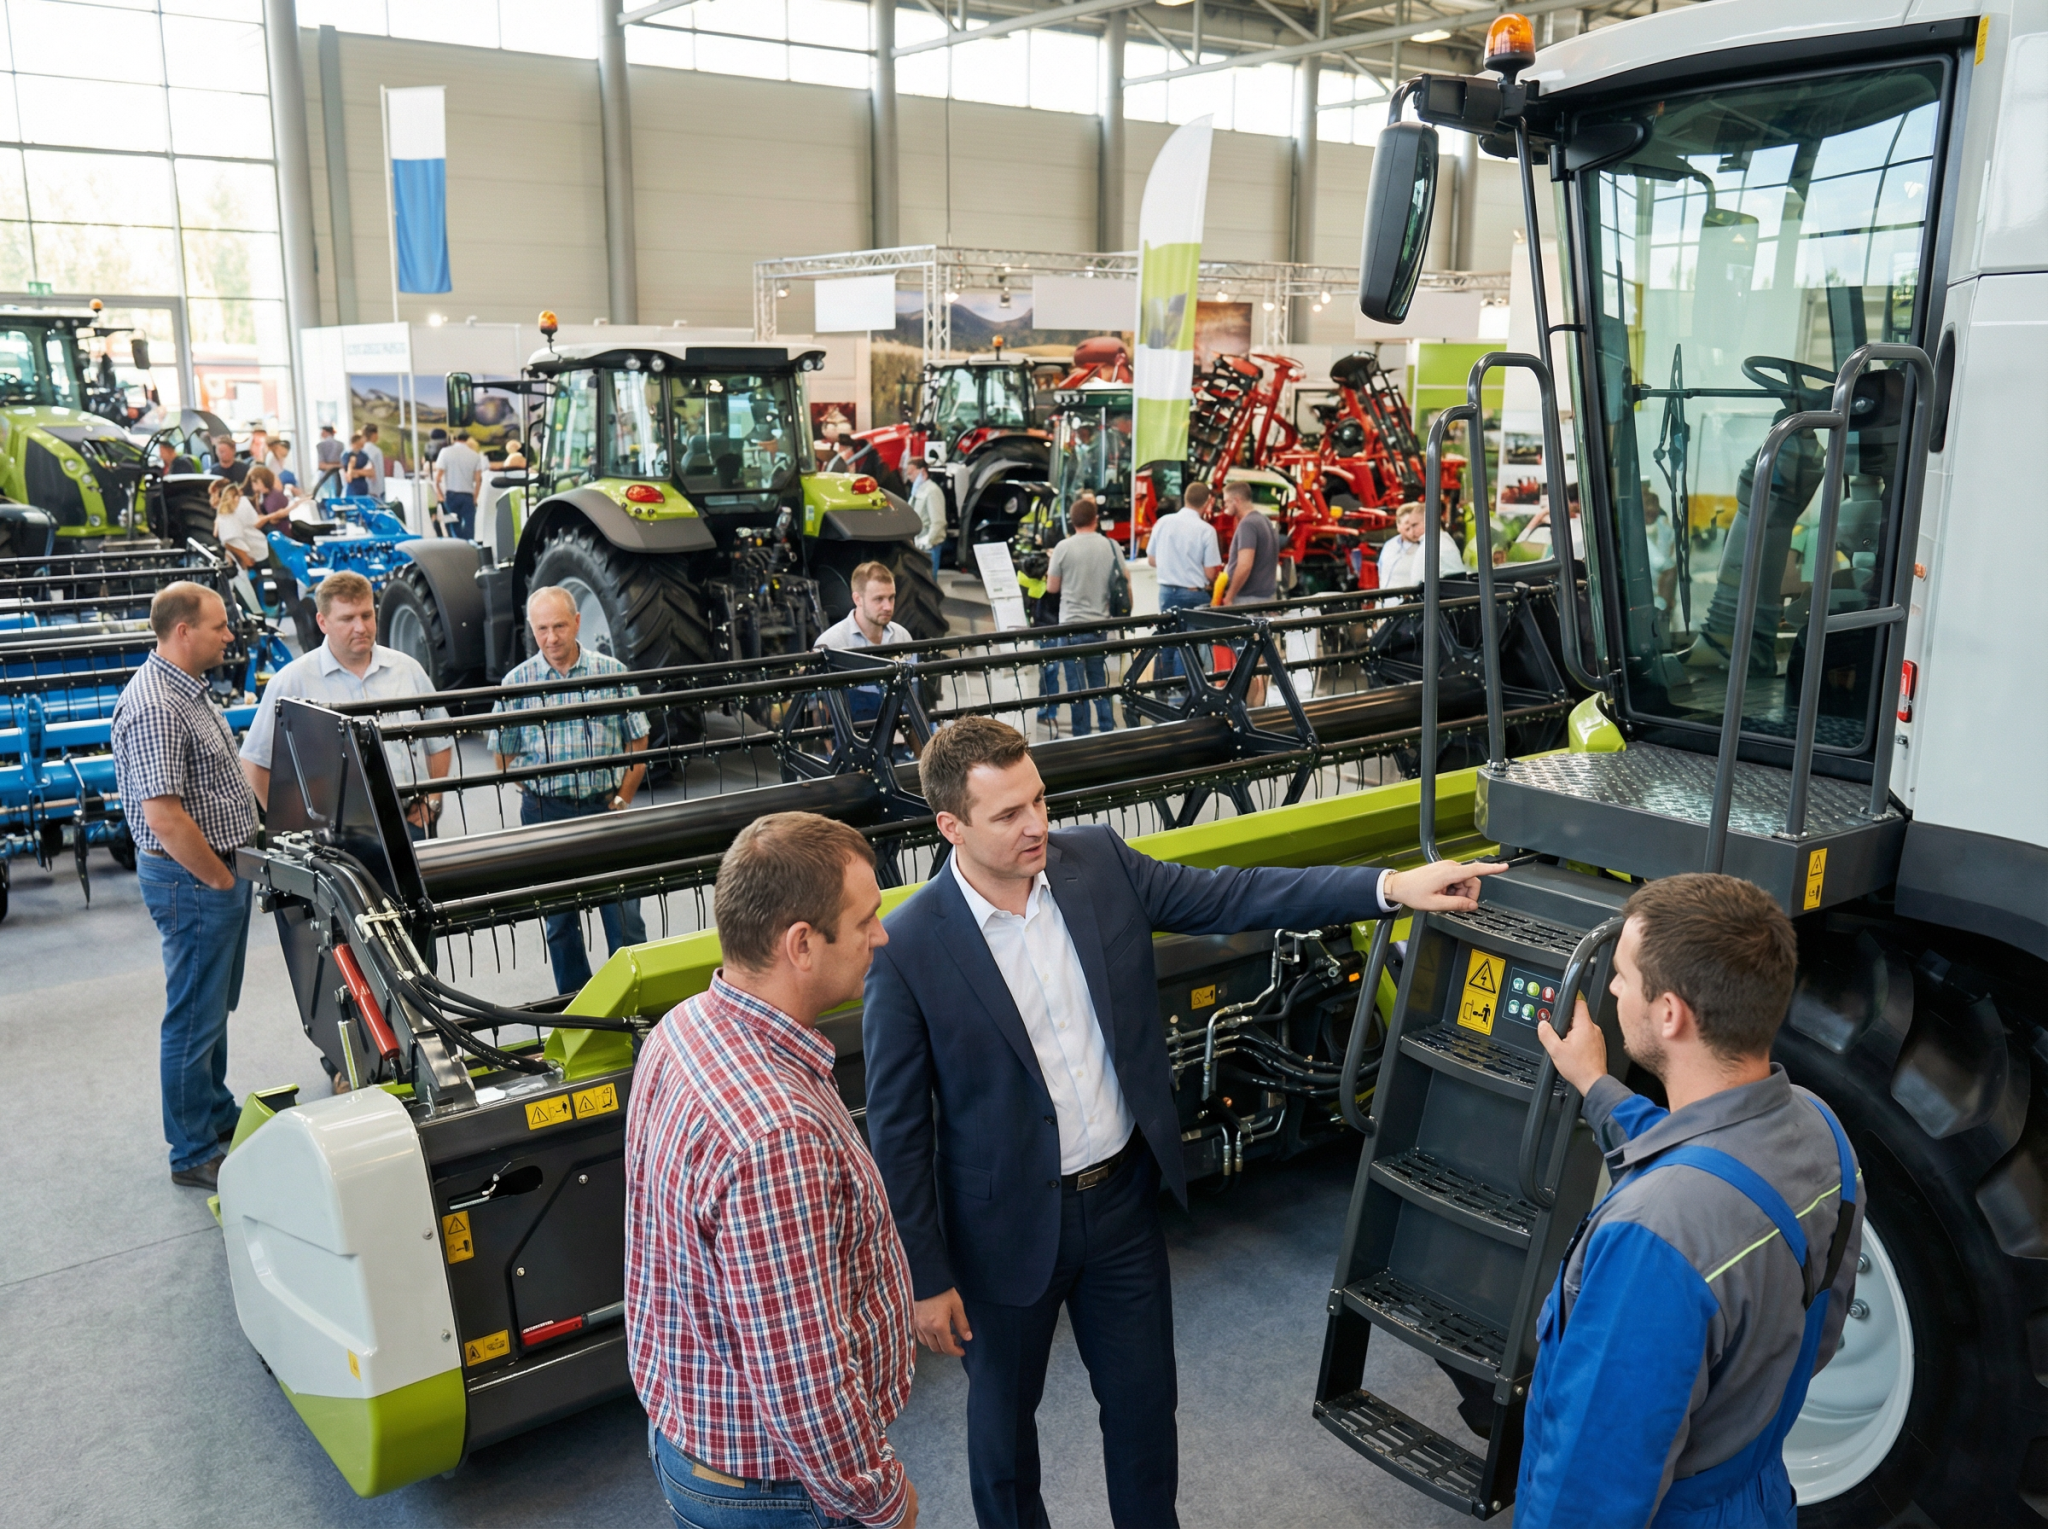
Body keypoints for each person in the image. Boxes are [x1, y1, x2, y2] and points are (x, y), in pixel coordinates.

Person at [861, 717, 1506, 1529]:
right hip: (1001, 1232)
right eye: (1008, 814)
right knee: (1002, 1441)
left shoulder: (1097, 862)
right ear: (950, 825)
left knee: (1143, 1417)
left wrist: (1387, 889)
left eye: (1039, 799)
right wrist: (925, 1274)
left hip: (1122, 1203)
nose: (1036, 825)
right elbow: (898, 1130)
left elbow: (1236, 893)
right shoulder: (909, 946)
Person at [1520, 873, 1862, 1528]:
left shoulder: (1652, 1239)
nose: (1613, 988)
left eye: (1621, 974)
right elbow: (1707, 1160)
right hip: (1756, 1494)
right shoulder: (1821, 1133)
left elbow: (1590, 1495)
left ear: (1670, 1012)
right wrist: (1595, 1084)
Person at [626, 813, 920, 1529]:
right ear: (801, 944)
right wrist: (882, 1500)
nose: (882, 934)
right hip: (777, 1490)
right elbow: (806, 1382)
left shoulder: (684, 1026)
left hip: (692, 1431)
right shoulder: (774, 1136)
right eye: (866, 920)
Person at [110, 582, 262, 1191]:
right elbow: (164, 818)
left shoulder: (187, 691)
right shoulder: (155, 705)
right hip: (195, 880)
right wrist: (221, 878)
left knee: (211, 1007)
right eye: (220, 626)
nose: (229, 635)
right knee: (192, 1017)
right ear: (183, 632)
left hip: (217, 872)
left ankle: (214, 1110)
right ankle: (191, 1150)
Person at [486, 586, 649, 994]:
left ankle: (635, 1006)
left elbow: (638, 741)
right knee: (559, 921)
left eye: (560, 626)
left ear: (577, 622)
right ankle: (577, 1012)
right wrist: (537, 790)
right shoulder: (516, 682)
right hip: (545, 813)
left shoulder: (611, 673)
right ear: (532, 629)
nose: (552, 637)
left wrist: (621, 798)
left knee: (625, 916)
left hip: (604, 810)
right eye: (542, 628)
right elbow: (502, 757)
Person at [240, 570, 453, 848]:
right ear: (322, 621)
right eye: (347, 619)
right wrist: (293, 826)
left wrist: (432, 801)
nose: (361, 627)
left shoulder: (407, 670)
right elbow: (255, 761)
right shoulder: (293, 681)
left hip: (407, 823)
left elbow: (439, 740)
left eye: (366, 615)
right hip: (330, 837)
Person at [1043, 497, 1123, 736]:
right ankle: (1108, 730)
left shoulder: (1063, 548)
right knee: (1099, 682)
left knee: (1076, 689)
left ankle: (1081, 735)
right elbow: (1123, 582)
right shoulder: (1111, 546)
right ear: (1096, 519)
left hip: (1070, 628)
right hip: (1099, 625)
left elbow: (1052, 588)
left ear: (1072, 521)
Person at [815, 561, 913, 730]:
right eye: (879, 599)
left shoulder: (902, 636)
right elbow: (821, 713)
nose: (888, 606)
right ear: (857, 599)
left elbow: (913, 698)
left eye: (891, 597)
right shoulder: (831, 644)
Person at [1146, 482, 1223, 680]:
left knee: (1167, 639)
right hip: (1192, 594)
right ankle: (1183, 693)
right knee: (1188, 642)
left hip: (1165, 591)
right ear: (1207, 503)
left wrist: (1172, 566)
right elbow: (1209, 573)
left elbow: (1152, 559)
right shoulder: (1206, 530)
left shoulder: (1163, 522)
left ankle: (1161, 688)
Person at [1376, 501, 1464, 591]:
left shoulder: (1436, 545)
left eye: (1414, 525)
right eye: (1408, 527)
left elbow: (1452, 582)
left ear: (1427, 521)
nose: (1412, 531)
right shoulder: (1390, 545)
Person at [435, 430, 485, 540]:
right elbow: (478, 481)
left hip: (451, 495)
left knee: (451, 524)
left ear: (454, 438)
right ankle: (469, 548)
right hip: (468, 495)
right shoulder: (475, 455)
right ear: (468, 439)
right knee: (469, 525)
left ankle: (456, 547)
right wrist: (475, 498)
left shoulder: (445, 452)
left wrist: (440, 495)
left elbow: (437, 478)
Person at [907, 457, 947, 576]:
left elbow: (938, 521)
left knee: (929, 581)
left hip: (930, 547)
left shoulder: (932, 491)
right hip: (919, 544)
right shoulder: (917, 491)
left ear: (923, 471)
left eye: (911, 473)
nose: (909, 477)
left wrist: (928, 541)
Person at [361, 423, 388, 499]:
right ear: (374, 434)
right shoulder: (375, 450)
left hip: (368, 488)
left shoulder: (363, 449)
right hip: (375, 489)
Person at [343, 432, 372, 496]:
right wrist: (359, 472)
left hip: (362, 486)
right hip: (352, 487)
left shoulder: (364, 456)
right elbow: (349, 476)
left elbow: (371, 473)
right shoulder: (346, 455)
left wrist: (356, 472)